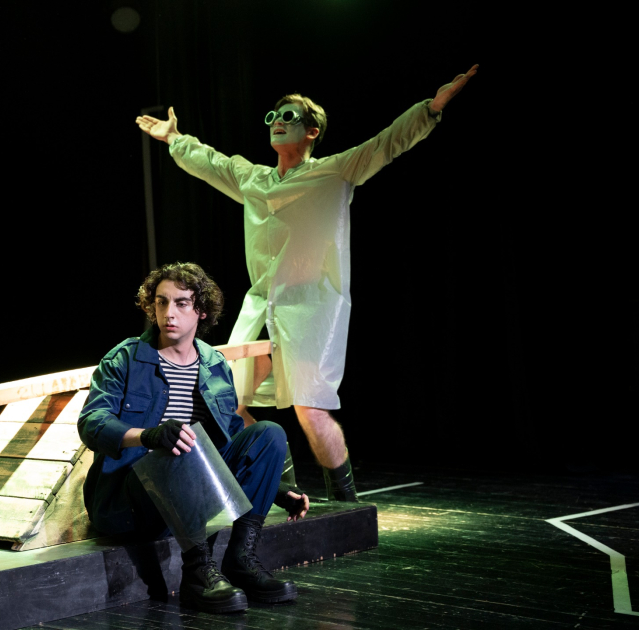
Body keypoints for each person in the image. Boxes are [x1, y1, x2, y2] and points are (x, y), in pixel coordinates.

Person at [135, 66, 479, 501]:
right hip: (261, 305)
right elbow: (212, 162)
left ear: (312, 131)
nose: (277, 121)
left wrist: (430, 109)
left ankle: (345, 499)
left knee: (309, 408)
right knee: (227, 401)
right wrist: (174, 138)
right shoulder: (254, 178)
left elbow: (386, 143)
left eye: (289, 116)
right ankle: (283, 489)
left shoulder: (335, 172)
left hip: (313, 308)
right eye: (274, 116)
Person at [78, 262, 310, 614]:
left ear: (201, 310)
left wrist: (274, 489)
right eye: (161, 302)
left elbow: (230, 438)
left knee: (269, 434)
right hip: (133, 499)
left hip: (195, 491)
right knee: (183, 440)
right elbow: (92, 422)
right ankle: (198, 573)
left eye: (181, 303)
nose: (168, 313)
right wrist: (148, 437)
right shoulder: (125, 358)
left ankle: (241, 561)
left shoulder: (214, 364)